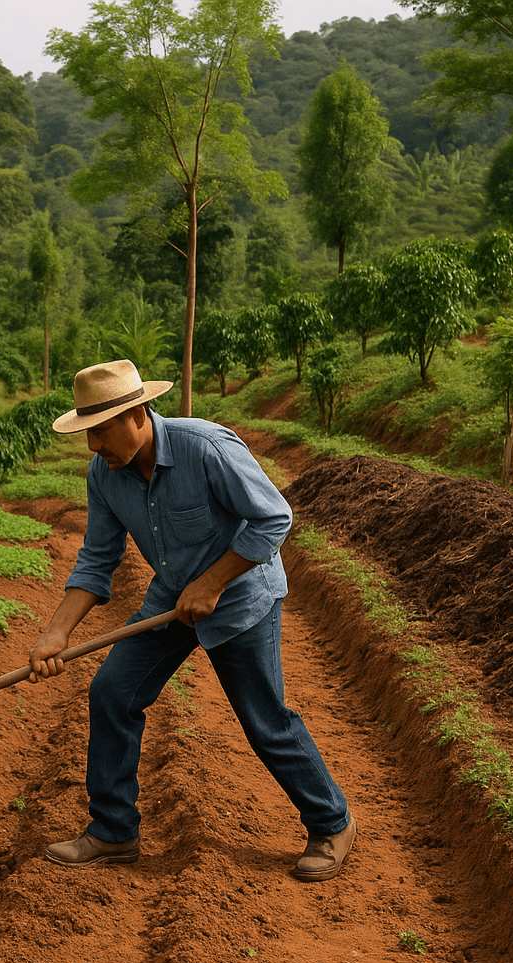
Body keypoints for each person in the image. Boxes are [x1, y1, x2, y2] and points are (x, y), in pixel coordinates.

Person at [27, 359, 355, 881]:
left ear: (137, 414)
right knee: (113, 693)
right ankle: (114, 831)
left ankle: (331, 822)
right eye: (86, 433)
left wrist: (213, 582)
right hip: (171, 598)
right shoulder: (105, 474)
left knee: (264, 721)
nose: (92, 446)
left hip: (243, 596)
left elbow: (274, 517)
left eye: (101, 431)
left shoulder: (205, 448)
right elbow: (98, 557)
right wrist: (56, 632)